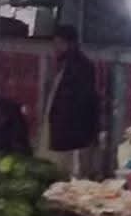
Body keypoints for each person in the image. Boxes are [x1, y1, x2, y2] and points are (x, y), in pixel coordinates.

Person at [42, 25, 100, 178]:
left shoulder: (81, 67)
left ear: (71, 44)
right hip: (64, 128)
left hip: (72, 131)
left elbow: (82, 103)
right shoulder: (65, 65)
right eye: (55, 43)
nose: (56, 47)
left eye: (60, 43)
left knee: (70, 171)